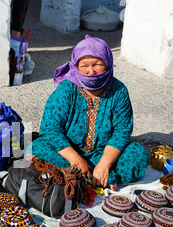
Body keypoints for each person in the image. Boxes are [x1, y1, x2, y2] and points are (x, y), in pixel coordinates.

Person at [27, 35, 149, 191]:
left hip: (103, 152)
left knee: (137, 156)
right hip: (68, 152)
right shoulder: (67, 89)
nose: (91, 71)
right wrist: (77, 160)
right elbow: (51, 129)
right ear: (76, 65)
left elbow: (122, 132)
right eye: (84, 65)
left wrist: (104, 164)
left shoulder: (119, 91)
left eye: (97, 64)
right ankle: (96, 176)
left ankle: (86, 175)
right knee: (37, 148)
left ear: (108, 63)